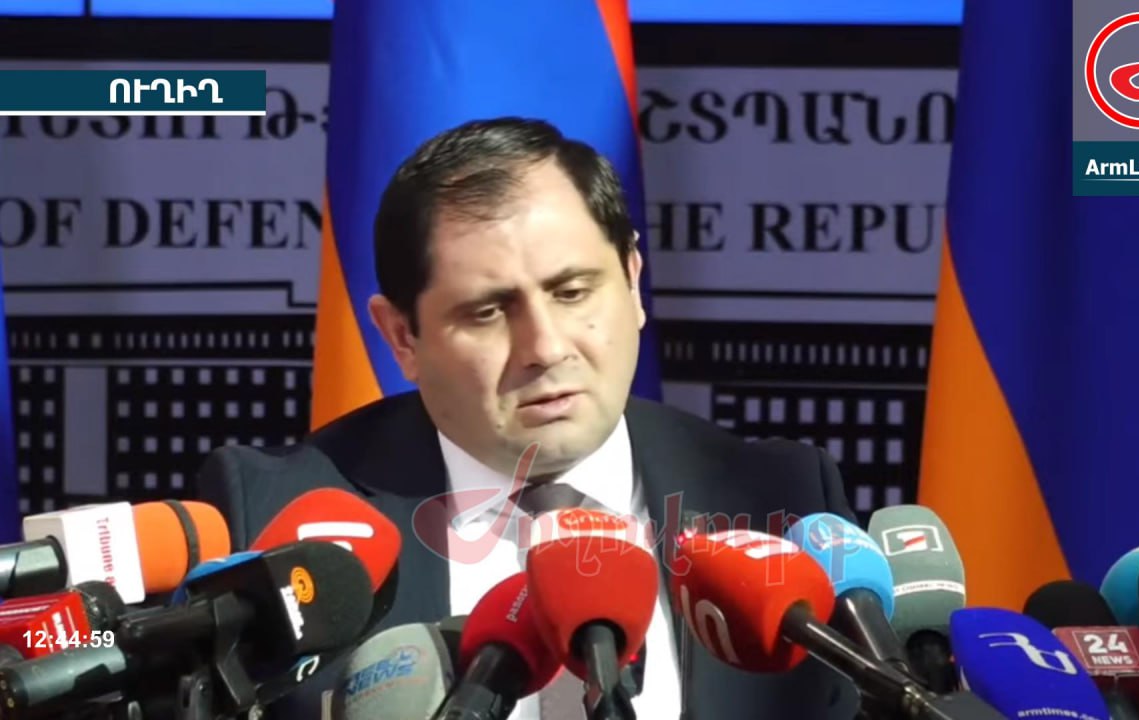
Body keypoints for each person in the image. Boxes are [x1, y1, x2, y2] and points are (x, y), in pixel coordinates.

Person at [198, 117, 862, 719]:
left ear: (633, 281)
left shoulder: (783, 499)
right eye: (488, 312)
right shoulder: (275, 514)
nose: (544, 348)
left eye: (572, 292)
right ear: (402, 336)